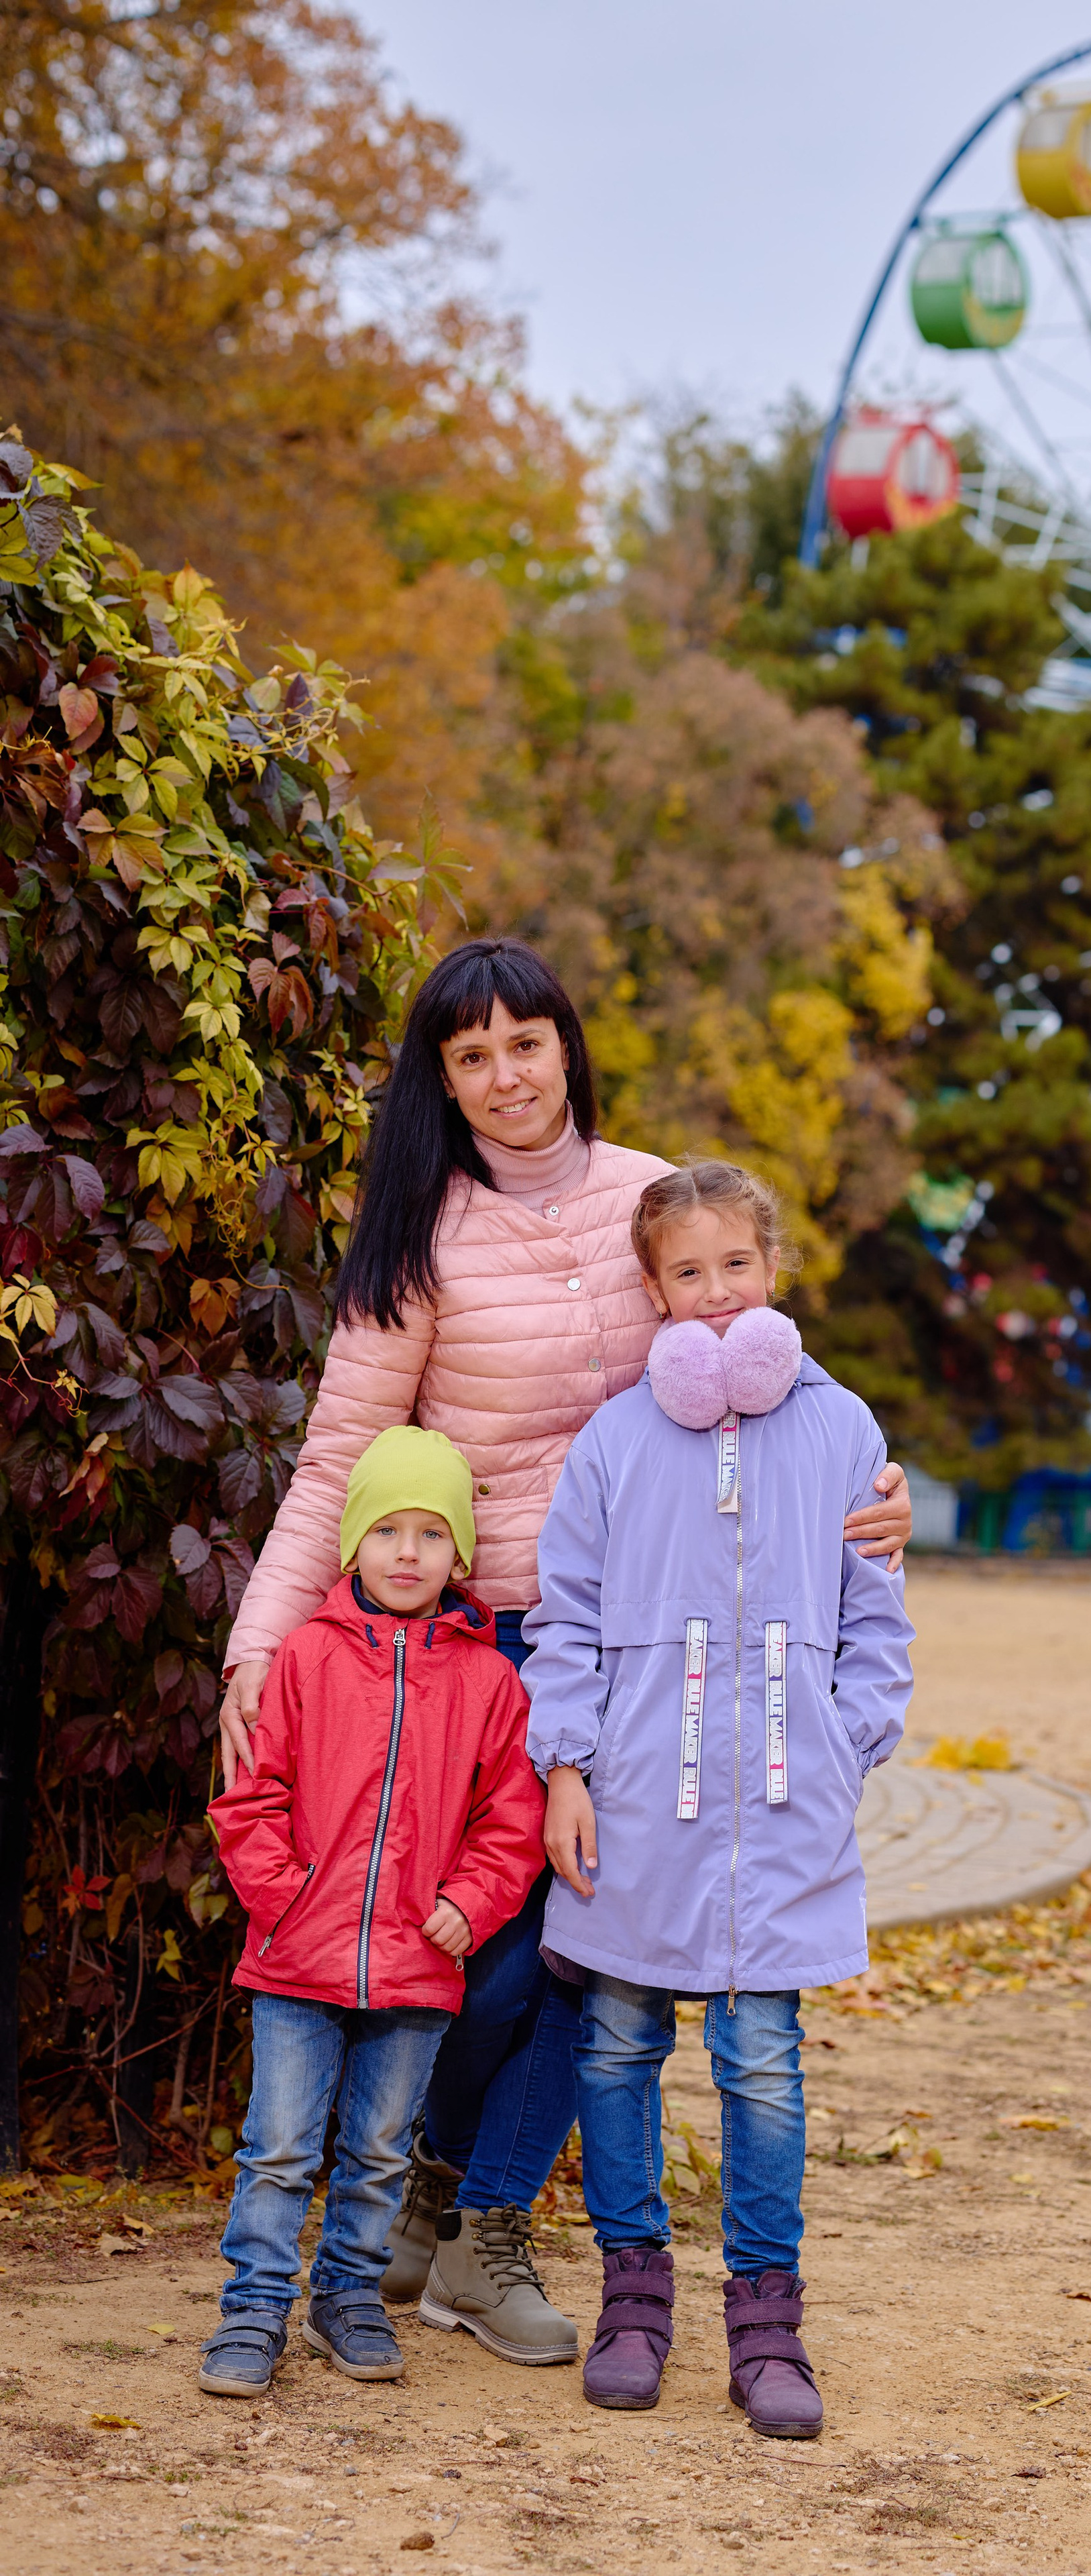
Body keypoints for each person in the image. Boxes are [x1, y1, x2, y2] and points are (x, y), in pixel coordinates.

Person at [217, 939, 913, 2368]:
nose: (505, 1076)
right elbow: (340, 1454)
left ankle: (475, 2231)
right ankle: (425, 2190)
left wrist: (875, 1478)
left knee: (585, 1960)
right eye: (470, 1055)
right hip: (489, 1639)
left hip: (650, 1643)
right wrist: (259, 1648)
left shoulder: (644, 1195)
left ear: (565, 1048)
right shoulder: (416, 1238)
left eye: (524, 1043)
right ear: (441, 1078)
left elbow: (756, 1350)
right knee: (501, 1952)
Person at [523, 1160, 915, 2438]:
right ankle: (634, 2300)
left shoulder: (842, 1430)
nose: (713, 1292)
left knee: (763, 2065)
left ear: (773, 1269)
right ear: (654, 1290)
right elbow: (566, 1618)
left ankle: (767, 2324)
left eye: (734, 1265)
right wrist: (568, 1766)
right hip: (635, 1799)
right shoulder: (616, 1439)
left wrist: (847, 1743)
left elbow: (877, 1618)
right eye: (686, 1273)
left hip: (785, 1806)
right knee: (617, 2045)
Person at [198, 1427, 544, 2398]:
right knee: (278, 2147)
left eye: (432, 1534)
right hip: (295, 1958)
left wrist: (469, 1905)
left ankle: (348, 2297)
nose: (407, 1553)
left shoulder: (489, 1680)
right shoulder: (305, 1658)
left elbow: (511, 1819)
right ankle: (253, 2308)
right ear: (353, 1542)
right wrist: (286, 1897)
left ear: (460, 1554)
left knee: (380, 2150)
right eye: (386, 1530)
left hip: (417, 1964)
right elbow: (250, 1795)